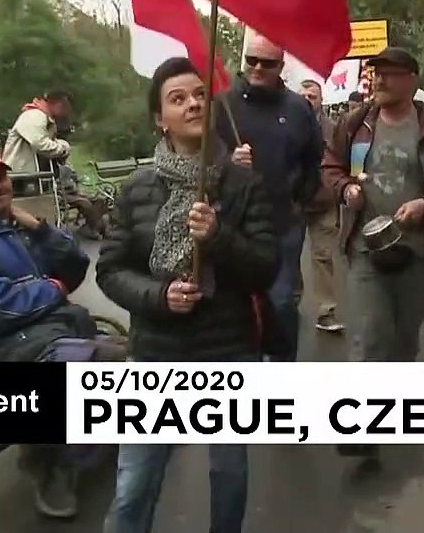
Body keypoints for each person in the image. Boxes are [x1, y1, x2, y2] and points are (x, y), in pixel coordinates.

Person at [98, 57, 280, 533]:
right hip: (156, 352)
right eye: (177, 99)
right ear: (160, 119)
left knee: (228, 471)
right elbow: (111, 270)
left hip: (227, 349)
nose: (193, 103)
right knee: (135, 480)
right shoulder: (137, 189)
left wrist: (219, 237)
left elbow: (266, 267)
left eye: (199, 94)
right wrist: (160, 296)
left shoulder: (244, 184)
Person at [0, 149, 127, 520]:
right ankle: (48, 465)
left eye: (0, 177)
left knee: (137, 354)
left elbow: (75, 266)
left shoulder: (19, 230)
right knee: (111, 364)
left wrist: (41, 229)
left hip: (50, 335)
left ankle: (80, 448)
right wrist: (52, 288)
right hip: (6, 351)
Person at [321, 47, 424, 461]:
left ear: (412, 80)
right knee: (369, 335)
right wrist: (346, 189)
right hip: (366, 249)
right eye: (375, 73)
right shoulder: (355, 124)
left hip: (417, 251)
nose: (379, 81)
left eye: (389, 74)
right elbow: (330, 168)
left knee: (404, 339)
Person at [213, 31, 323, 362]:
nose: (258, 68)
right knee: (233, 302)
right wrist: (226, 163)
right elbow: (197, 157)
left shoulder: (298, 108)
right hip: (232, 223)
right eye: (252, 60)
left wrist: (300, 198)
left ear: (281, 66)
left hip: (282, 222)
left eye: (267, 62)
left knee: (280, 301)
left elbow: (313, 159)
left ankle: (283, 366)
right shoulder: (221, 103)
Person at [298, 79, 344, 333]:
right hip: (293, 201)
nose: (307, 100)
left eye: (312, 96)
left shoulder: (334, 130)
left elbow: (342, 162)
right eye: (303, 95)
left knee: (323, 256)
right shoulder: (287, 125)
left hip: (325, 201)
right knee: (287, 257)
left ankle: (326, 310)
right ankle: (288, 303)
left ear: (321, 101)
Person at [2, 90, 73, 195]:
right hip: (21, 175)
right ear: (58, 104)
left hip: (33, 174)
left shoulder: (44, 117)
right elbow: (41, 144)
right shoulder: (34, 116)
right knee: (30, 206)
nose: (66, 112)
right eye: (65, 108)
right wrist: (64, 148)